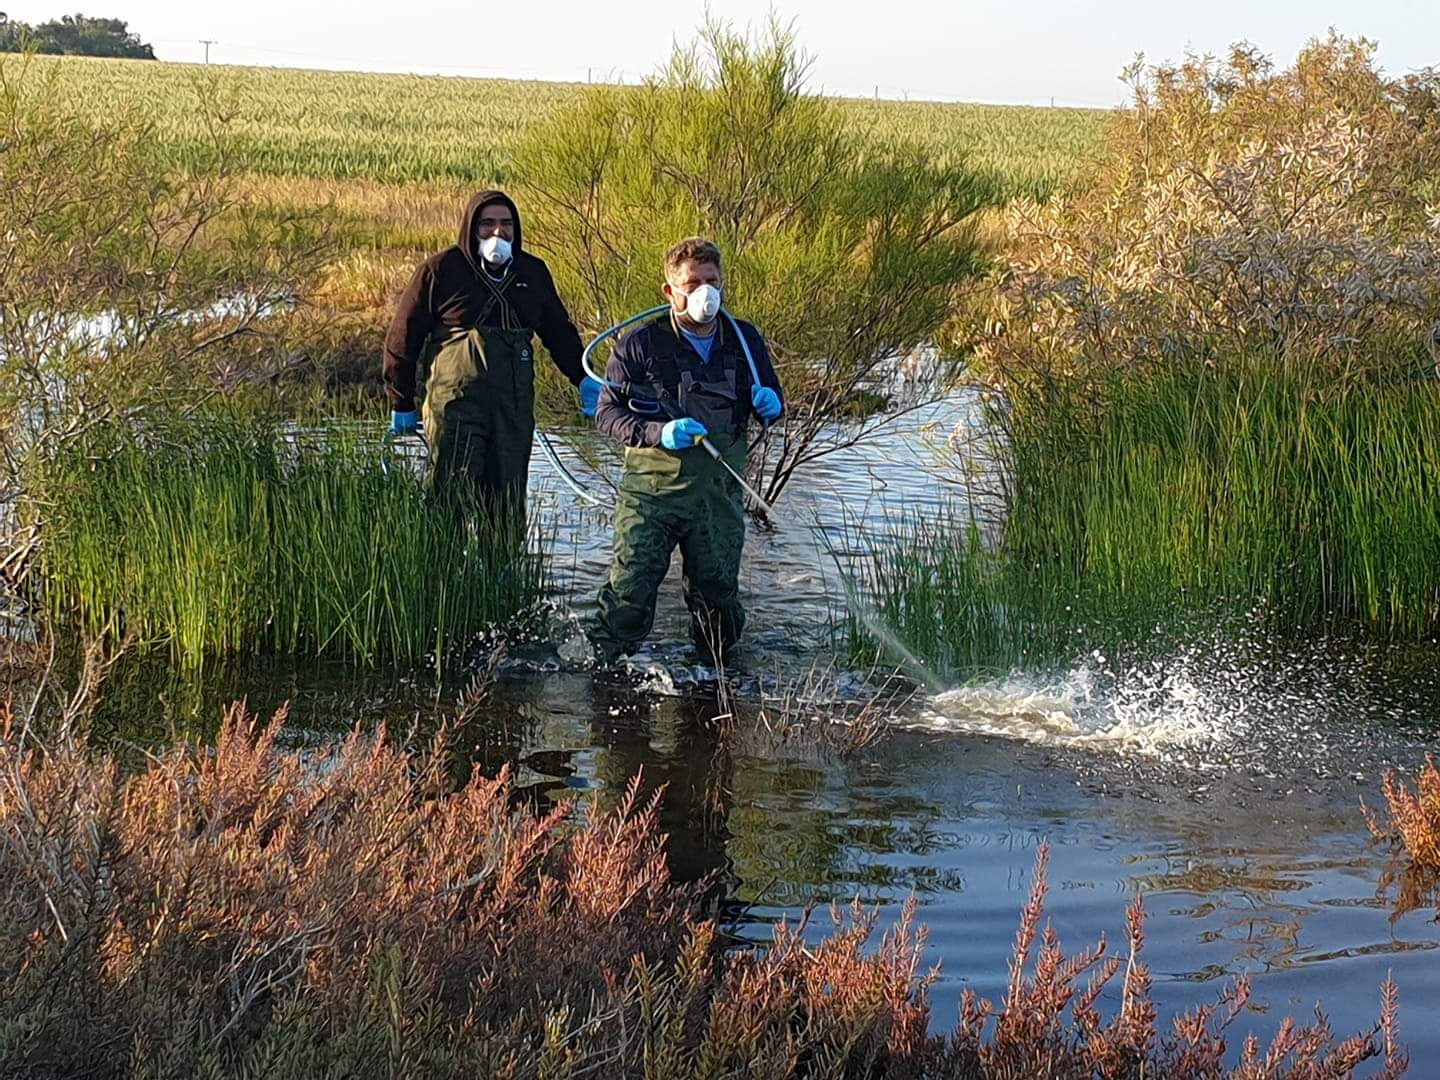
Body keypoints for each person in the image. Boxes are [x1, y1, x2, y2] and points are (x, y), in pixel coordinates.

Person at [593, 237, 784, 660]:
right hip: (651, 497)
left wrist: (772, 405)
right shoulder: (640, 344)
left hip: (716, 497)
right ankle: (606, 685)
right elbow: (607, 415)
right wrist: (657, 433)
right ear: (670, 291)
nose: (704, 292)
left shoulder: (744, 340)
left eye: (711, 281)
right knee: (628, 597)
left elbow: (776, 400)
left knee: (718, 607)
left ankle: (714, 693)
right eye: (692, 282)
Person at [382, 190, 603, 517]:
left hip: (513, 409)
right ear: (471, 228)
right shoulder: (440, 270)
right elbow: (403, 336)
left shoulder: (532, 272)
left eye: (506, 224)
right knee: (447, 500)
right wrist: (401, 400)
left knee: (505, 508)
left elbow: (559, 332)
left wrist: (584, 377)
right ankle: (440, 568)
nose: (498, 232)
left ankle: (502, 568)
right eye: (487, 224)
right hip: (454, 409)